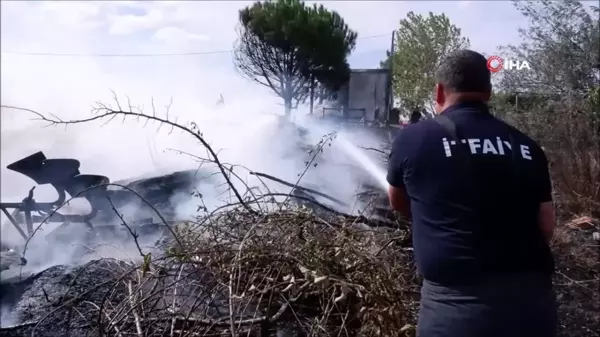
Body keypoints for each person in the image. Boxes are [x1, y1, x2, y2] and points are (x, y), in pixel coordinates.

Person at [386, 50, 557, 337]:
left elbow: (397, 201)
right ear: (488, 93)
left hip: (455, 311)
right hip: (534, 308)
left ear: (439, 91)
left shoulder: (414, 138)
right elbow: (547, 224)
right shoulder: (527, 146)